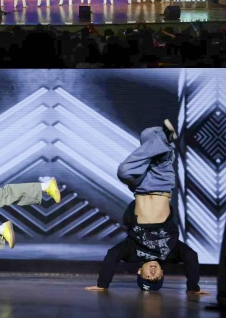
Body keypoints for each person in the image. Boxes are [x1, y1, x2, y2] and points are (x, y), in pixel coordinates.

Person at [85, 121, 209, 295]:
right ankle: (164, 139)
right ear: (162, 273)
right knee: (151, 138)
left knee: (126, 169)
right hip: (162, 184)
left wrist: (102, 284)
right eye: (156, 277)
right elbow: (191, 256)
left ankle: (164, 138)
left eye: (148, 277)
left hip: (140, 187)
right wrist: (193, 287)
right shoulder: (171, 253)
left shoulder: (132, 252)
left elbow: (112, 256)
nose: (152, 273)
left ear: (139, 271)